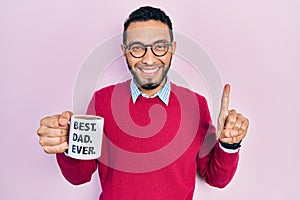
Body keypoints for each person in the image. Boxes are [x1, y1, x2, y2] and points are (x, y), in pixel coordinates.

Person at [37, 6, 249, 200]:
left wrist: (228, 145)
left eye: (159, 47)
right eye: (138, 48)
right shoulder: (102, 101)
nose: (149, 59)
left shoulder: (197, 105)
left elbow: (216, 179)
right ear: (124, 50)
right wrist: (67, 145)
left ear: (172, 49)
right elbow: (79, 176)